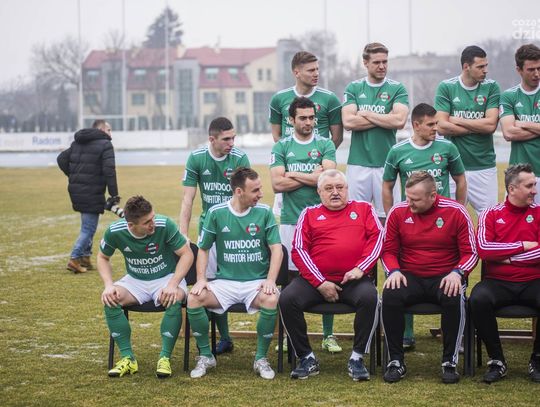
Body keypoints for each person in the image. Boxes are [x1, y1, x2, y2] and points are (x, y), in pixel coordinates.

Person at [280, 169, 382, 381]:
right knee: (287, 299)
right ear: (319, 192)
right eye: (328, 188)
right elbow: (298, 249)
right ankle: (306, 357)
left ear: (347, 189)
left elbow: (378, 239)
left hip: (353, 279)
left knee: (370, 297)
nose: (335, 192)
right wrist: (320, 282)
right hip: (315, 280)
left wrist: (360, 268)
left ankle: (357, 357)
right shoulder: (309, 214)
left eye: (339, 187)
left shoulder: (364, 209)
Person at [381, 172, 478, 384]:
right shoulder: (398, 212)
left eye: (415, 199)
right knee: (390, 294)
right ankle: (395, 361)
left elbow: (471, 253)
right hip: (409, 275)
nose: (409, 203)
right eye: (407, 197)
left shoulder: (457, 212)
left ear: (433, 196)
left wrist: (458, 272)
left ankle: (449, 362)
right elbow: (387, 251)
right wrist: (394, 271)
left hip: (445, 275)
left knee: (453, 295)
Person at [187, 167, 283, 380]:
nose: (261, 194)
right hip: (225, 283)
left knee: (271, 298)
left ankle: (260, 358)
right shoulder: (216, 213)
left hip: (256, 283)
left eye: (260, 189)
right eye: (255, 190)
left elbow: (277, 249)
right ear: (239, 191)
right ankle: (206, 356)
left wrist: (270, 280)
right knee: (193, 298)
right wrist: (201, 279)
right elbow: (203, 249)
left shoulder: (264, 212)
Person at [270, 96, 340, 352]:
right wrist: (312, 176)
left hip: (322, 221)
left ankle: (328, 335)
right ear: (291, 120)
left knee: (326, 273)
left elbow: (328, 180)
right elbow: (277, 184)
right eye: (303, 118)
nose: (309, 122)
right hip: (290, 221)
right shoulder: (281, 146)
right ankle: (289, 334)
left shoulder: (325, 143)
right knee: (289, 279)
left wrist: (293, 173)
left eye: (312, 117)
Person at [98, 195, 194, 378]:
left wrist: (173, 284)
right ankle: (128, 359)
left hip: (166, 278)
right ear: (131, 225)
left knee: (173, 297)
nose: (153, 224)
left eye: (153, 218)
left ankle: (165, 358)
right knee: (110, 299)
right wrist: (108, 285)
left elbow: (187, 254)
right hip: (135, 280)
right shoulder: (115, 231)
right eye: (147, 222)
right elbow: (102, 257)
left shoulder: (164, 225)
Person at [180, 117, 250, 355]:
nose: (232, 143)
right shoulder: (197, 158)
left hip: (235, 232)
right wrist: (183, 235)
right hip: (208, 232)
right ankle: (225, 338)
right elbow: (188, 198)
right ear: (212, 139)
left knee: (231, 281)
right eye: (226, 139)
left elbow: (246, 197)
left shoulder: (239, 158)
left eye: (234, 138)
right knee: (208, 285)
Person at [472, 163, 540, 383]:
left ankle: (537, 359)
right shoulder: (490, 214)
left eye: (534, 185)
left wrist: (507, 258)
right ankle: (497, 360)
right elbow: (484, 249)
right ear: (512, 189)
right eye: (529, 186)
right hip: (497, 282)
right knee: (478, 299)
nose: (535, 191)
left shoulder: (539, 212)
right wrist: (522, 246)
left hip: (533, 281)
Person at [342, 42, 409, 221]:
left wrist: (366, 114)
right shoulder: (354, 88)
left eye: (385, 62)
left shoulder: (397, 88)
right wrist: (386, 118)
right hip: (358, 163)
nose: (382, 66)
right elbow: (348, 121)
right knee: (355, 217)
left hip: (386, 163)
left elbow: (399, 121)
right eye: (376, 62)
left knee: (389, 217)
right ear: (365, 63)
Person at [435, 45, 501, 214]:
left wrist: (457, 120)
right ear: (466, 66)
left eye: (486, 65)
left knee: (489, 219)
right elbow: (441, 126)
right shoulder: (446, 87)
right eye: (480, 66)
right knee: (451, 218)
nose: (485, 70)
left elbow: (490, 125)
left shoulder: (491, 87)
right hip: (453, 167)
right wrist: (478, 126)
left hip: (484, 167)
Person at [57, 119, 118, 274]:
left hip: (77, 190)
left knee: (88, 224)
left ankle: (85, 258)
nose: (110, 133)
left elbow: (61, 158)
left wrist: (74, 175)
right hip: (92, 191)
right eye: (109, 130)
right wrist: (114, 194)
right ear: (102, 130)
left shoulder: (78, 142)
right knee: (88, 228)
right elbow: (110, 171)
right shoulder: (105, 144)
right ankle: (74, 258)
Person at [383, 103, 467, 214]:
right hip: (411, 216)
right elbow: (387, 186)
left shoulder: (448, 147)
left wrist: (459, 211)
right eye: (430, 124)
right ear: (416, 125)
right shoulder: (397, 151)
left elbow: (461, 180)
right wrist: (390, 215)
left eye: (436, 123)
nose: (435, 128)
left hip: (442, 215)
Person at [269, 51, 343, 147]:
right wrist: (288, 153)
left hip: (319, 156)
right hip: (290, 156)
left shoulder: (330, 99)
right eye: (311, 70)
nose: (316, 74)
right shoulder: (278, 99)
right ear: (296, 73)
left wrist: (325, 154)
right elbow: (276, 136)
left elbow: (337, 137)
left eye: (317, 69)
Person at [499, 44, 540, 203]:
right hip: (519, 177)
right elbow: (509, 133)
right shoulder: (509, 96)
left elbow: (514, 128)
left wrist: (523, 123)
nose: (537, 73)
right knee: (514, 219)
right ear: (519, 70)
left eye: (539, 68)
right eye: (531, 69)